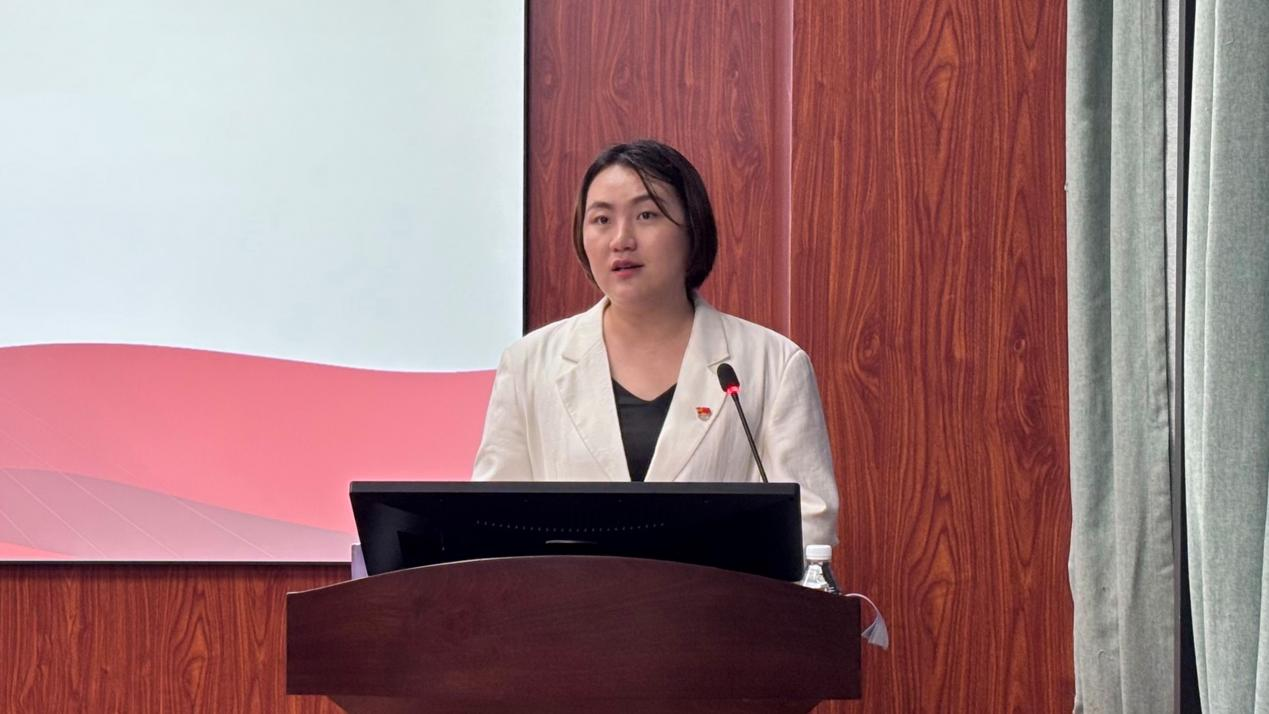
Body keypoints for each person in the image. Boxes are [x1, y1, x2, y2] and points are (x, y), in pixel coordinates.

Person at [471, 139, 839, 546]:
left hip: (717, 590)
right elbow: (491, 524)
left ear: (692, 229)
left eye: (646, 215)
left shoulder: (773, 364)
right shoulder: (528, 364)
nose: (621, 239)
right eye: (601, 219)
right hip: (568, 589)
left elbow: (810, 526)